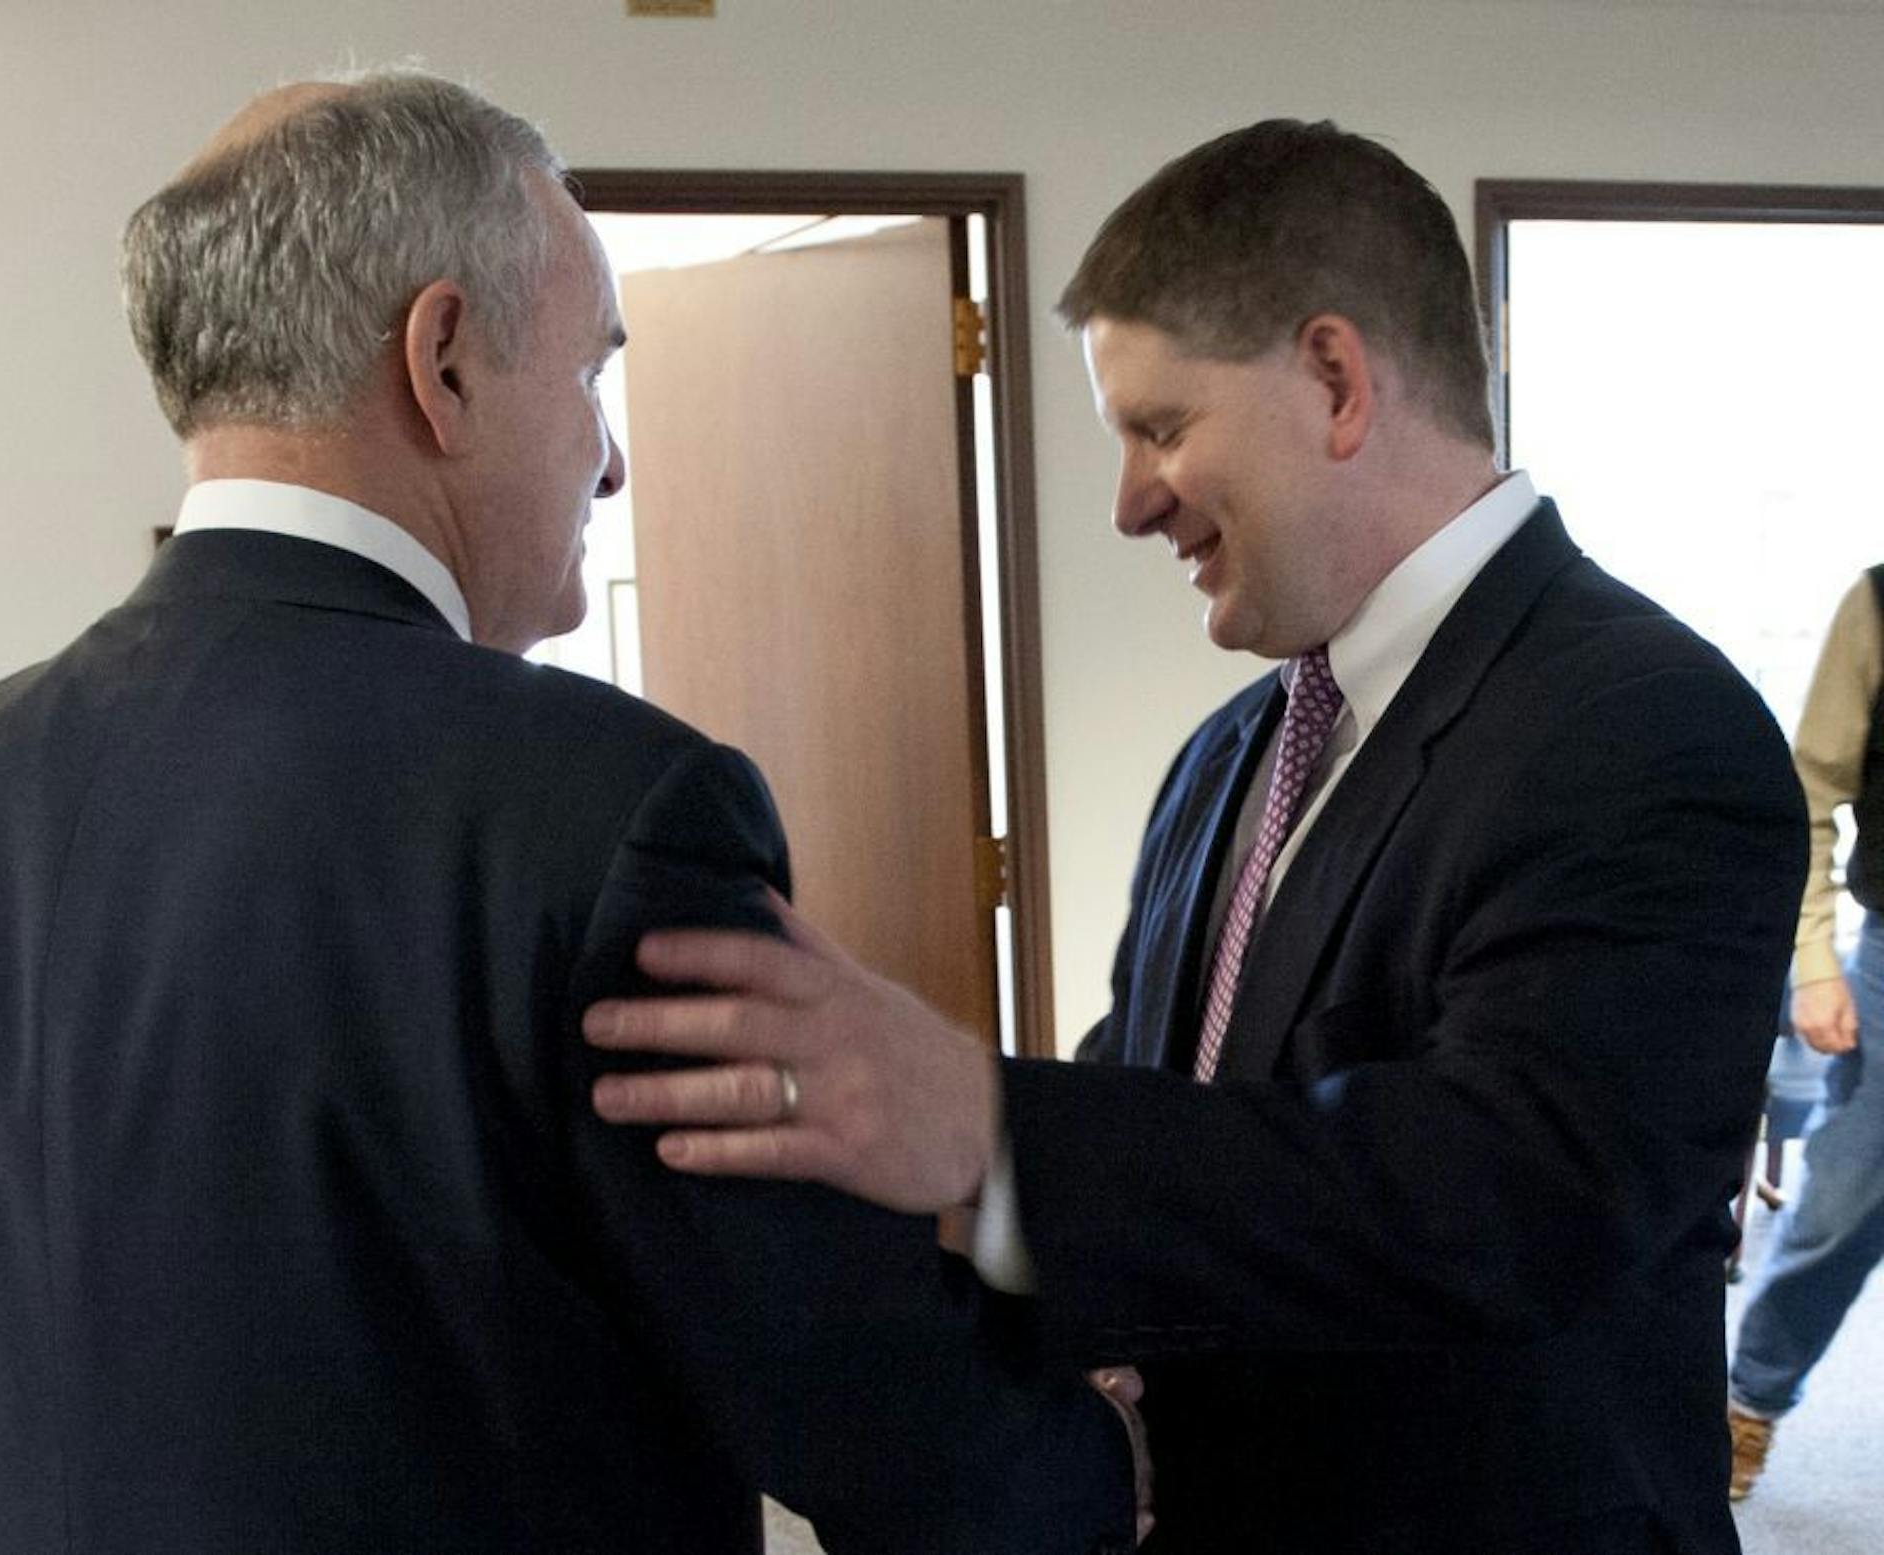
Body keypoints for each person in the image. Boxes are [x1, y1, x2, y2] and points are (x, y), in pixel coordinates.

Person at [0, 70, 1144, 1555]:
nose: (611, 459)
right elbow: (855, 1397)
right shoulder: (611, 812)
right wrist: (1103, 1453)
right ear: (441, 362)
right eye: (590, 374)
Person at [586, 119, 1809, 1554]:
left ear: (1336, 382)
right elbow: (1165, 1101)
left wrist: (987, 1127)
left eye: (1160, 429)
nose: (1127, 504)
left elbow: (1511, 1197)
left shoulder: (1649, 726)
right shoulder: (1231, 751)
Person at [1728, 566, 1884, 1499]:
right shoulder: (1879, 606)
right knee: (1844, 1205)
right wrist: (1816, 959)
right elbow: (1810, 793)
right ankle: (1751, 1399)